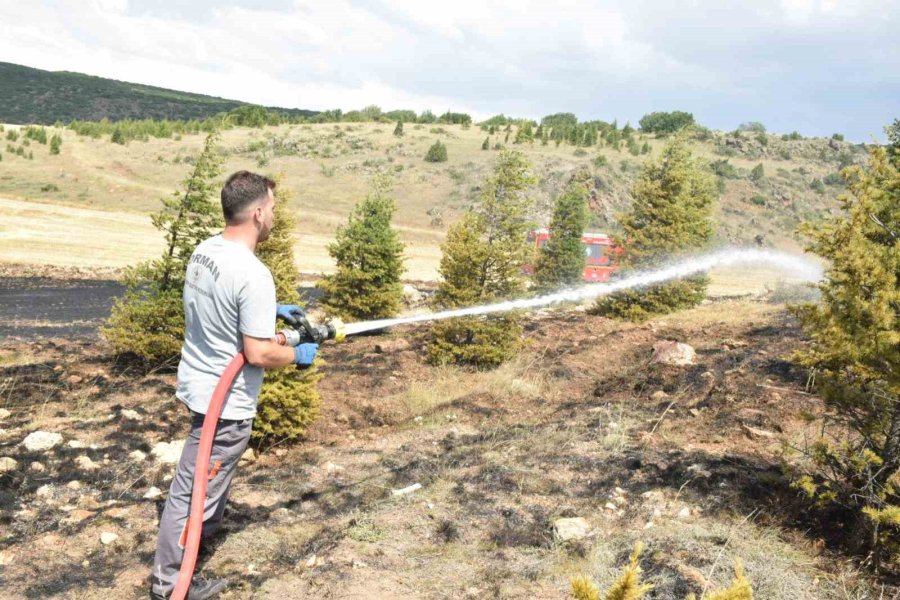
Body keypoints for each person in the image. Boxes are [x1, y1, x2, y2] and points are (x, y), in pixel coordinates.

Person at [149, 171, 317, 599]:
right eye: (273, 208)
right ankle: (171, 584)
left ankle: (187, 557)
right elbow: (259, 353)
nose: (274, 215)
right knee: (193, 491)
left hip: (197, 383)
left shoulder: (206, 250)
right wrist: (296, 354)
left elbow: (215, 300)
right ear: (258, 213)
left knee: (204, 485)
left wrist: (268, 309)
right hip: (224, 405)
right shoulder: (253, 274)